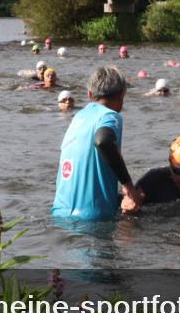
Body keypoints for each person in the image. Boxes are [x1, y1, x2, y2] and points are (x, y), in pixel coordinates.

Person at [52, 66, 137, 221]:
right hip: (94, 218)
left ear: (89, 94)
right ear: (122, 94)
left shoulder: (78, 117)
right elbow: (103, 141)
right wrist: (129, 187)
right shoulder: (110, 116)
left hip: (60, 214)